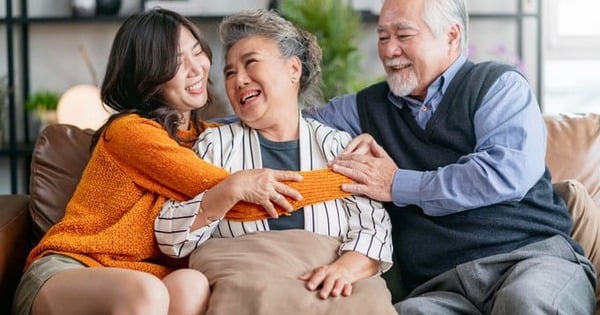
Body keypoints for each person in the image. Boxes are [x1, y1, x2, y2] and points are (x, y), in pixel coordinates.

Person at [13, 8, 353, 315]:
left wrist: (351, 141)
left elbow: (287, 112)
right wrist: (347, 178)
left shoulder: (205, 136)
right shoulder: (132, 133)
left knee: (192, 283)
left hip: (146, 276)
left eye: (197, 52)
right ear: (149, 77)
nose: (196, 68)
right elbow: (241, 202)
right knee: (146, 294)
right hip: (73, 269)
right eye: (176, 62)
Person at [310, 0, 597, 313]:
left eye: (403, 36)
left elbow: (502, 174)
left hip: (530, 260)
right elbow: (288, 128)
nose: (389, 50)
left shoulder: (497, 86)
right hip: (441, 286)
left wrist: (396, 184)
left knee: (527, 303)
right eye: (382, 37)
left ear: (451, 36)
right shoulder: (364, 109)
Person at [155, 9, 393, 300]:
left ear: (293, 69)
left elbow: (375, 230)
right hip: (250, 289)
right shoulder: (215, 146)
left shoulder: (339, 147)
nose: (239, 79)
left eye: (250, 62)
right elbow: (169, 235)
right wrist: (229, 191)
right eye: (230, 72)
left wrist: (344, 270)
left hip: (331, 292)